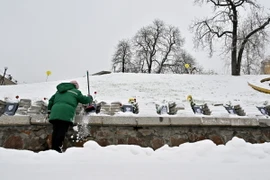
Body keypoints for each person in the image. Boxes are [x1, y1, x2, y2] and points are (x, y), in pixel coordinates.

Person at [47, 80, 93, 153]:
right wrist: (90, 98)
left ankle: (53, 149)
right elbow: (84, 100)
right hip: (66, 113)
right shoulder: (75, 92)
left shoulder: (58, 91)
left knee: (55, 131)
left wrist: (49, 111)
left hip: (55, 112)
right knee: (61, 131)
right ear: (75, 86)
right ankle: (57, 149)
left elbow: (51, 101)